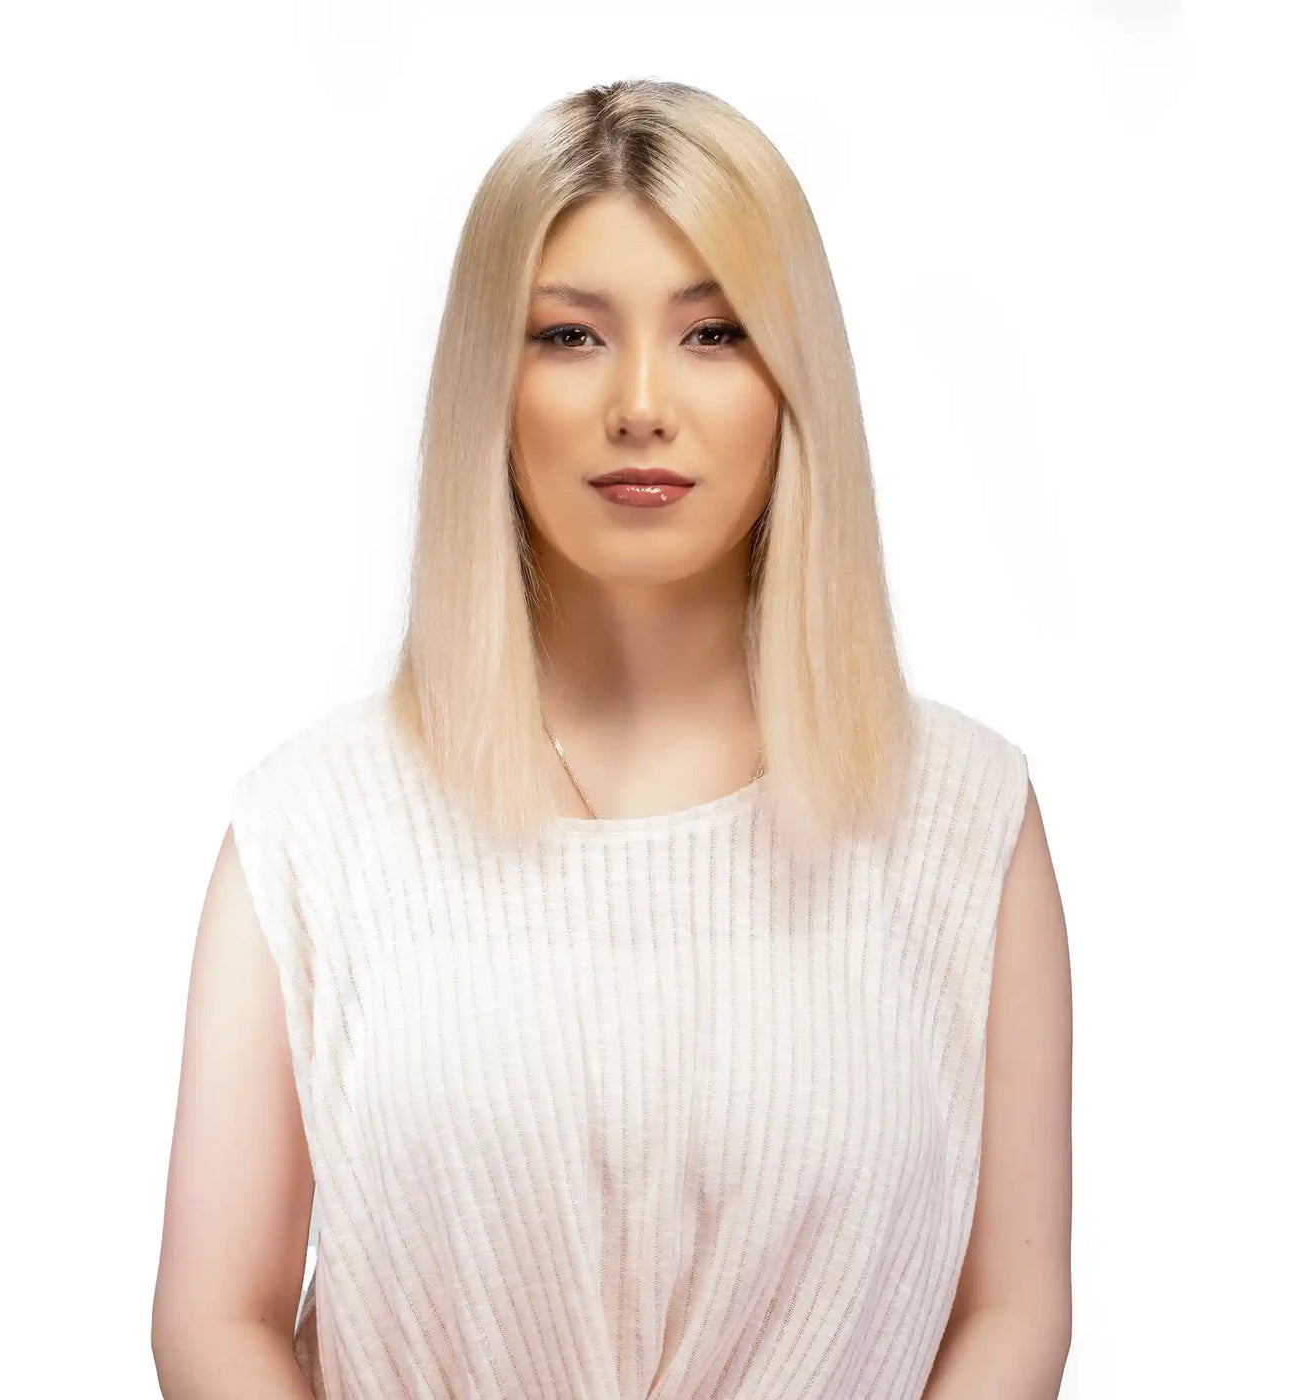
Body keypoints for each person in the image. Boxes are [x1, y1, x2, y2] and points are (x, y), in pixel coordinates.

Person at [153, 78, 1072, 1400]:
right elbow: (214, 1317)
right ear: (490, 379)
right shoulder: (313, 830)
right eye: (571, 336)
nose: (641, 403)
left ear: (793, 377)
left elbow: (1014, 1308)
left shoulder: (963, 821)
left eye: (714, 333)